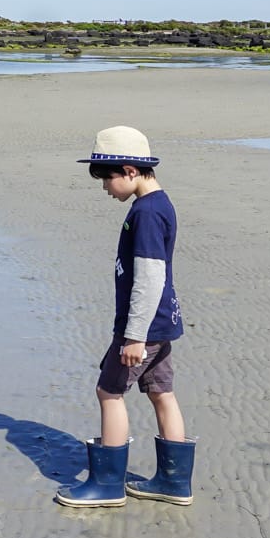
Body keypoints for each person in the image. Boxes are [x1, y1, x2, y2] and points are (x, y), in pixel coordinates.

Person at [54, 125, 196, 508]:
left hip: (143, 328)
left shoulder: (147, 212)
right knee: (161, 392)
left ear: (131, 171)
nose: (104, 187)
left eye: (106, 178)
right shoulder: (156, 204)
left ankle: (107, 485)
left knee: (109, 392)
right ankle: (174, 482)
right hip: (161, 323)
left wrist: (133, 336)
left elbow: (150, 278)